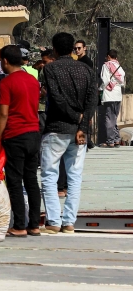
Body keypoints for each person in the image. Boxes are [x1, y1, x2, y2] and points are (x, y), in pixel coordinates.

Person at [40, 32, 99, 233]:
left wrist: (75, 119)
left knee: (49, 175)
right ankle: (69, 222)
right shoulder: (87, 70)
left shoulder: (50, 69)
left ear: (54, 49)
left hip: (57, 128)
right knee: (75, 176)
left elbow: (56, 98)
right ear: (73, 47)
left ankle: (54, 222)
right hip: (79, 133)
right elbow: (92, 100)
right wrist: (82, 126)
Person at [0, 44, 42, 237]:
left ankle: (19, 226)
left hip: (15, 135)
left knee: (14, 181)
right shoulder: (33, 80)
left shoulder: (6, 83)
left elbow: (3, 114)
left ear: (5, 61)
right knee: (31, 181)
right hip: (34, 133)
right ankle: (34, 225)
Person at [100, 49, 125, 147]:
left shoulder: (106, 65)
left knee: (109, 118)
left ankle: (110, 141)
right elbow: (122, 81)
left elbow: (105, 80)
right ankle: (116, 139)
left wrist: (100, 88)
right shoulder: (119, 67)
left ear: (108, 56)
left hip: (109, 95)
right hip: (118, 95)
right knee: (114, 118)